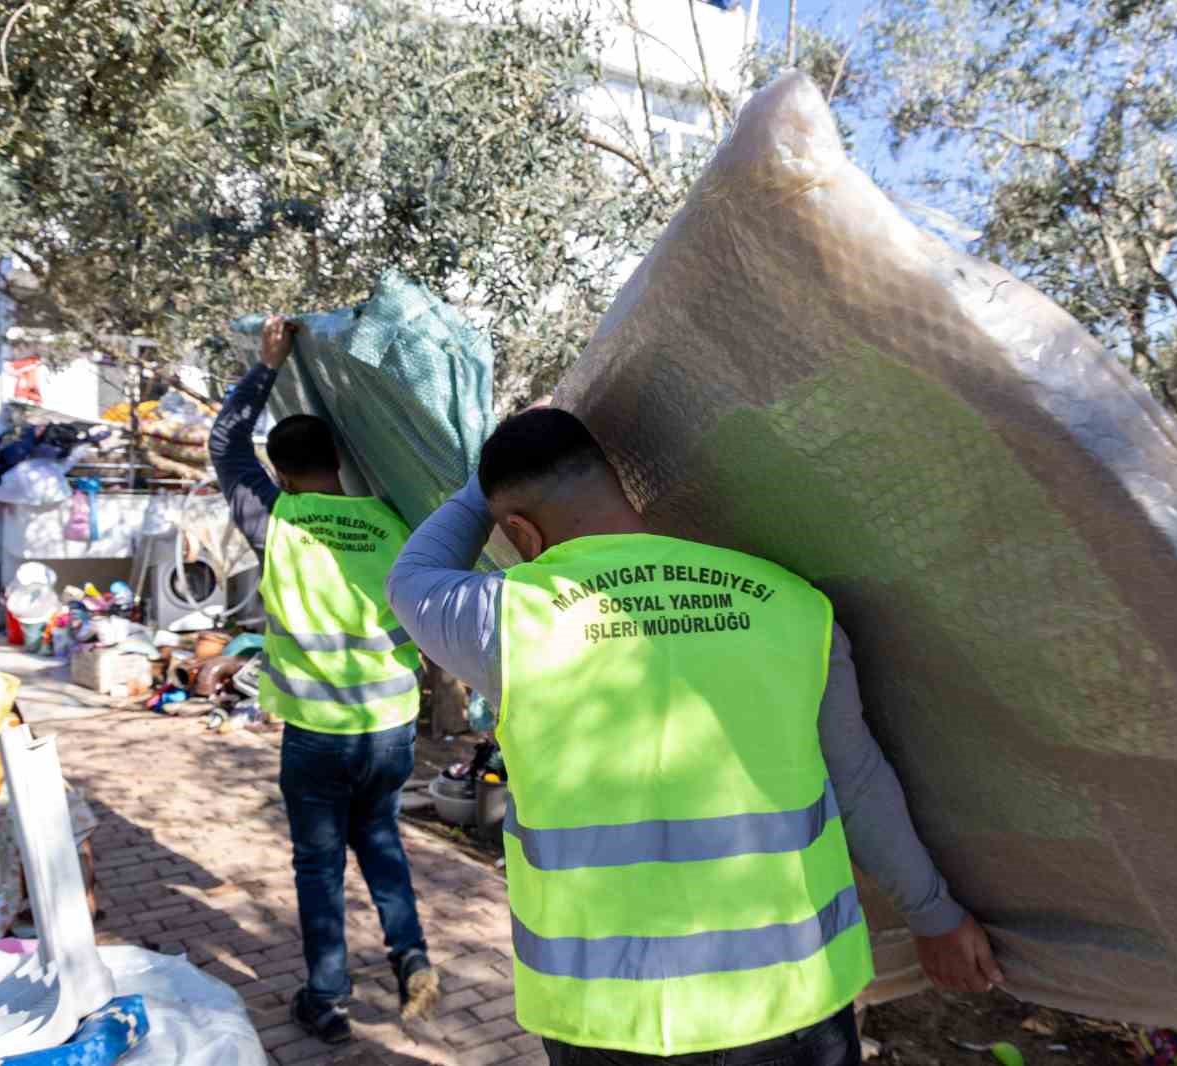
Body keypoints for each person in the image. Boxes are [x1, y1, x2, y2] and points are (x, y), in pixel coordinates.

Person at [387, 407, 1002, 1065]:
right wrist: (933, 913)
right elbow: (857, 784)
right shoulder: (792, 605)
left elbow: (413, 575)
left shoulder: (506, 620)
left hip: (608, 1020)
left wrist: (486, 476)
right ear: (618, 482)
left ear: (519, 532)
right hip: (793, 1003)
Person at [209, 316, 439, 1044]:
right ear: (341, 456)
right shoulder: (394, 522)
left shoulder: (278, 521)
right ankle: (410, 956)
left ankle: (329, 998)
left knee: (318, 863)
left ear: (279, 472)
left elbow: (223, 445)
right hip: (392, 726)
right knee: (380, 838)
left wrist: (265, 365)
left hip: (318, 733)